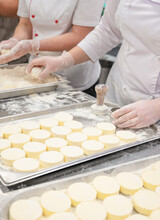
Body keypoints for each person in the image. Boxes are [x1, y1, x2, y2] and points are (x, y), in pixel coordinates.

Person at [27, 0, 160, 129]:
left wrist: (156, 107)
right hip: (118, 92)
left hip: (154, 107)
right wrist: (64, 60)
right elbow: (108, 31)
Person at [0, 0, 103, 96]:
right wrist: (15, 40)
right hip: (34, 72)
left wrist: (33, 45)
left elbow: (81, 35)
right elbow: (25, 23)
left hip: (74, 75)